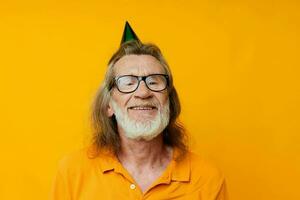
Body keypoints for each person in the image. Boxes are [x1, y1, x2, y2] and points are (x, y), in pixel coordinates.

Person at [50, 22, 228, 200]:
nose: (143, 92)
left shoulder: (207, 179)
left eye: (154, 81)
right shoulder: (72, 173)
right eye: (128, 83)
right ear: (108, 105)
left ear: (169, 101)